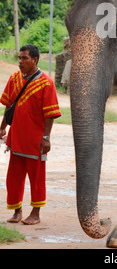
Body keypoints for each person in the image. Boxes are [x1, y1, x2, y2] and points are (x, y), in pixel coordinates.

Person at [0, 44, 61, 225]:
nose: (20, 62)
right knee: (14, 178)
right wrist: (2, 127)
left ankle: (35, 213)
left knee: (36, 179)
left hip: (36, 141)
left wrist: (46, 138)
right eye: (19, 58)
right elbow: (8, 106)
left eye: (24, 58)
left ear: (35, 60)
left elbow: (50, 114)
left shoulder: (47, 83)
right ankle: (17, 212)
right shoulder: (14, 78)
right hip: (16, 138)